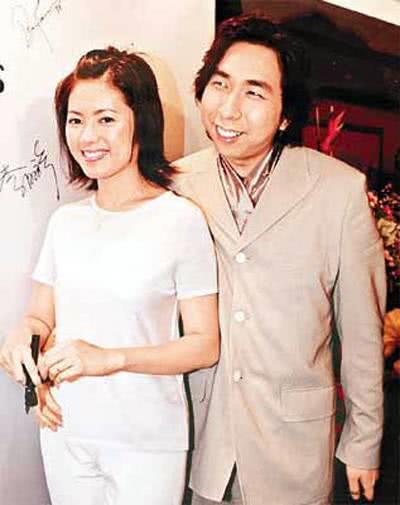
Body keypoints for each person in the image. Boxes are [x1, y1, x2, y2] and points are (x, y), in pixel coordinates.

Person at [174, 15, 386, 505]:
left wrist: (363, 441)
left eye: (254, 92)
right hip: (200, 440)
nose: (229, 108)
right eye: (220, 85)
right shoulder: (176, 184)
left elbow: (361, 332)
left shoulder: (338, 192)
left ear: (286, 114)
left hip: (293, 445)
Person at [0, 47, 219, 505]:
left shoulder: (180, 220)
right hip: (64, 429)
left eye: (106, 119)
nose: (87, 136)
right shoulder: (66, 222)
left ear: (142, 120)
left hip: (147, 441)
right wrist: (23, 344)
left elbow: (204, 345)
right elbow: (40, 318)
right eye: (75, 120)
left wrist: (110, 358)